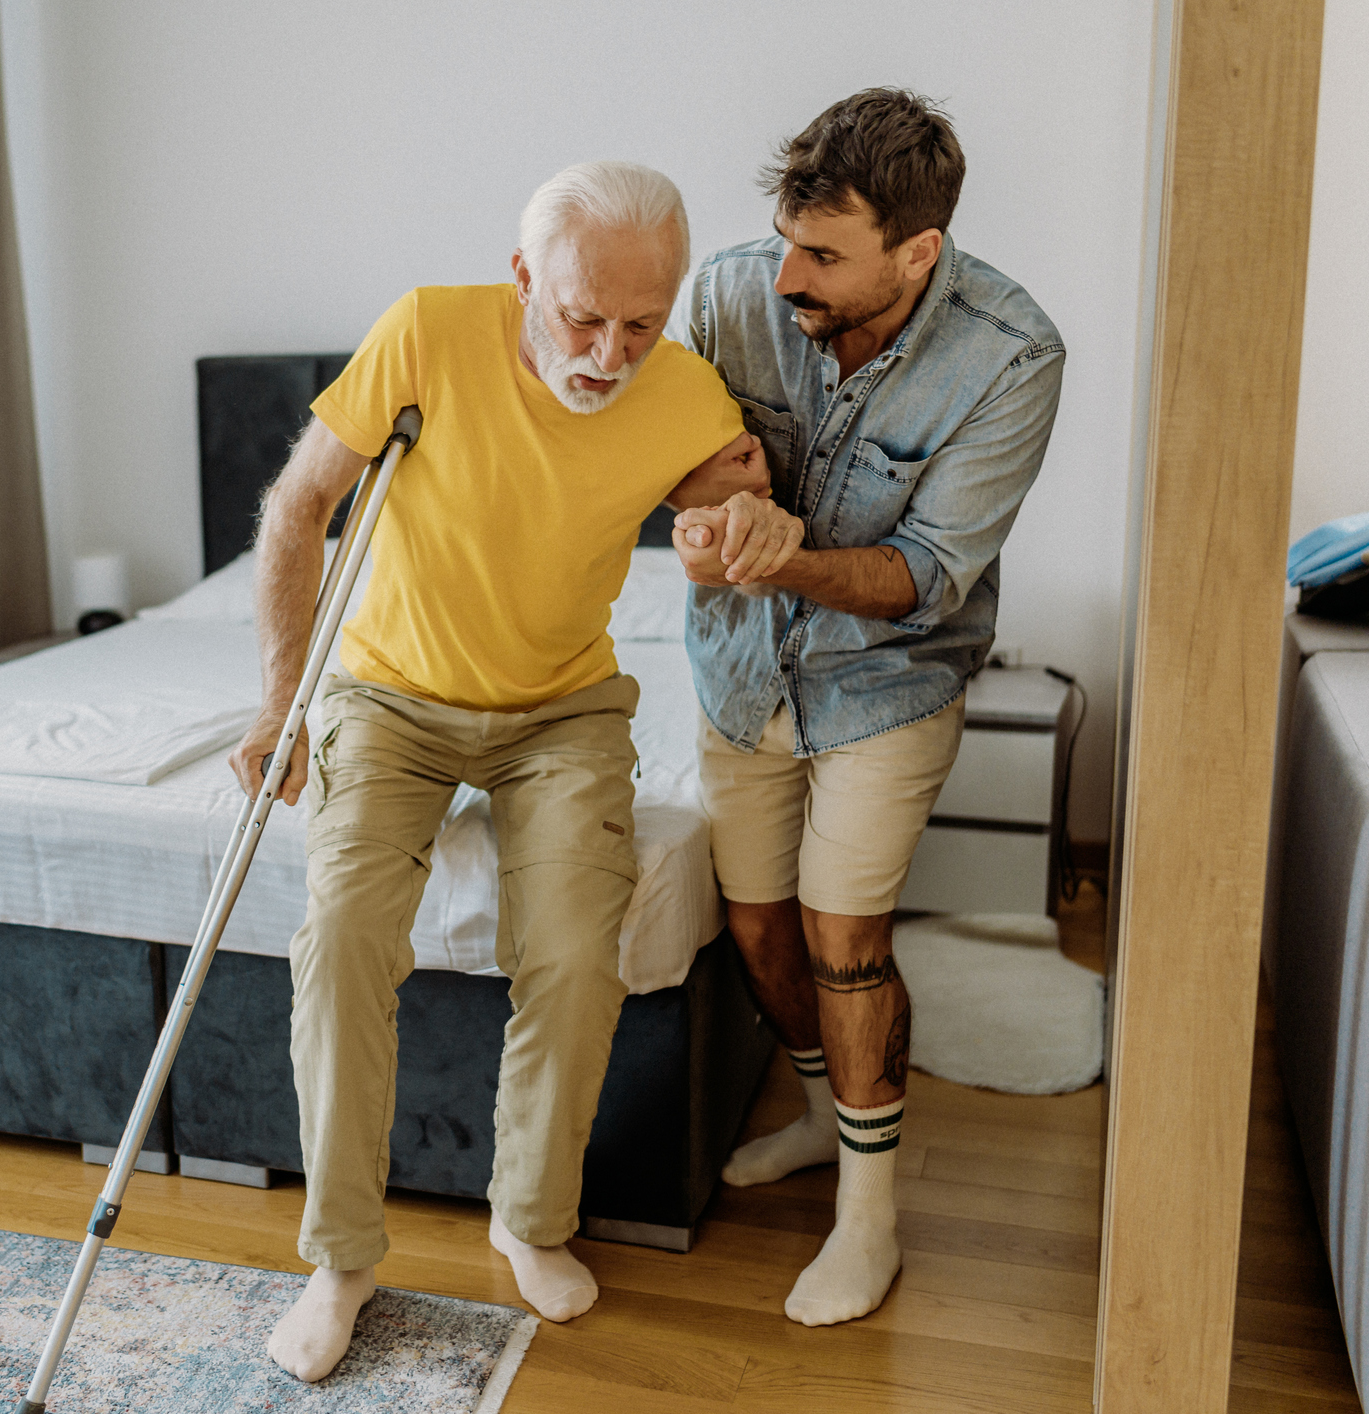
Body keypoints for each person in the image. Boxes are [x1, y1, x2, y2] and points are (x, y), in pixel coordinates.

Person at [228, 160, 785, 1383]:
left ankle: (529, 1219)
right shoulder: (428, 330)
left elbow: (722, 515)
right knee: (343, 934)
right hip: (389, 691)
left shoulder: (683, 389)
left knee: (583, 944)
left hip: (561, 708)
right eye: (584, 317)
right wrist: (285, 702)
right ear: (524, 275)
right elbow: (298, 509)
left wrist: (741, 523)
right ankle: (342, 1261)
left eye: (643, 321)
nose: (610, 350)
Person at [670, 88, 1065, 1327]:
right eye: (786, 236)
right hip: (739, 670)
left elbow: (923, 576)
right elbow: (654, 466)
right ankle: (813, 1112)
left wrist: (781, 554)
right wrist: (701, 515)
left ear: (918, 251)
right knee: (756, 927)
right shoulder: (734, 294)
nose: (789, 272)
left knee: (846, 937)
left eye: (825, 255)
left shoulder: (1011, 355)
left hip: (889, 679)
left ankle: (869, 1214)